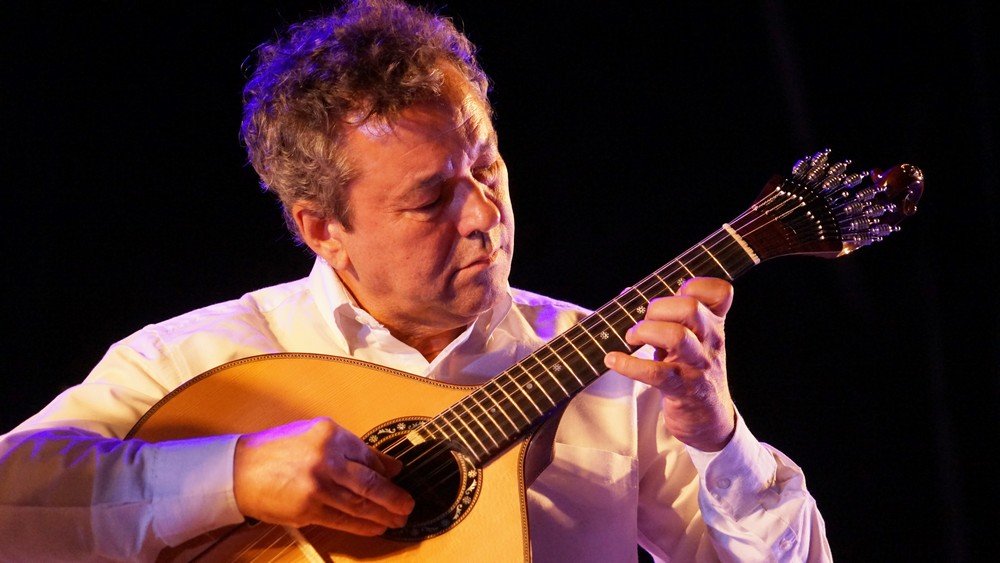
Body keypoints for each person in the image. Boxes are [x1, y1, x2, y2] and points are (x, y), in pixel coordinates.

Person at [0, 0, 832, 561]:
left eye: (486, 166)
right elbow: (13, 501)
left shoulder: (619, 368)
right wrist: (233, 475)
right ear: (321, 227)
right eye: (430, 198)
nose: (483, 215)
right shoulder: (202, 360)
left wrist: (716, 435)